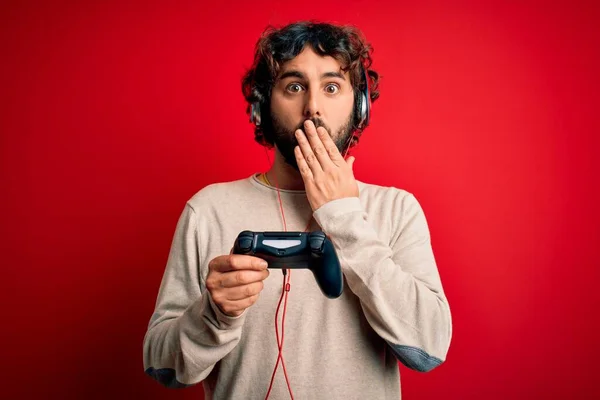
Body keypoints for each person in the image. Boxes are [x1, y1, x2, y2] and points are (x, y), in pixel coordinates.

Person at [143, 20, 452, 399]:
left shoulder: (396, 210)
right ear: (262, 106)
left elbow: (429, 349)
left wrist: (343, 216)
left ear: (359, 107)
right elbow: (161, 366)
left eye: (332, 87)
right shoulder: (208, 209)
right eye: (294, 87)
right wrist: (213, 315)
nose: (313, 107)